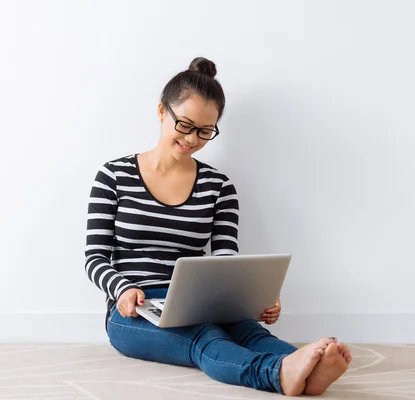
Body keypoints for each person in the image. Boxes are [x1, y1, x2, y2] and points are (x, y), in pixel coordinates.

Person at [84, 57, 352, 396]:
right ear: (161, 112)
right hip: (136, 312)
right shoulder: (113, 176)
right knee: (204, 337)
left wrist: (257, 298)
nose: (193, 139)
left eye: (205, 131)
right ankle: (276, 374)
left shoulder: (219, 186)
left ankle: (310, 368)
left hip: (199, 302)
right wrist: (121, 289)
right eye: (185, 124)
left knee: (250, 333)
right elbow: (95, 258)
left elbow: (226, 262)